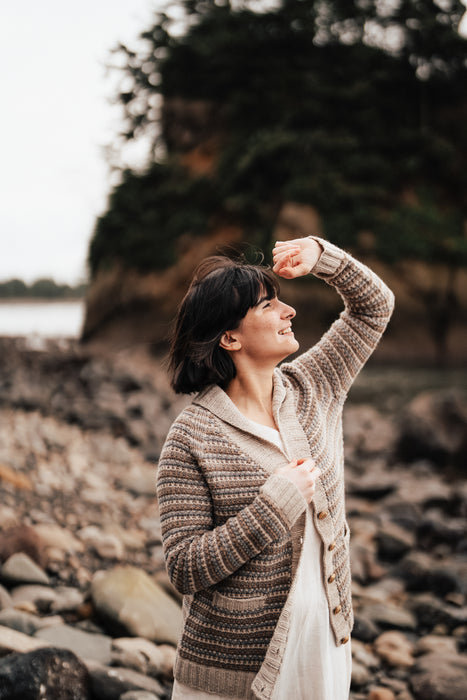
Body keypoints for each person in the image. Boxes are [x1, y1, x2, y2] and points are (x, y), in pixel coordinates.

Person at [156, 236, 394, 700]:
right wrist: (275, 505)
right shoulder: (190, 439)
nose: (290, 312)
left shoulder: (315, 387)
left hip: (322, 647)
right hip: (232, 673)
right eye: (270, 306)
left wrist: (323, 259)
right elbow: (185, 567)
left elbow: (374, 308)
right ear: (230, 337)